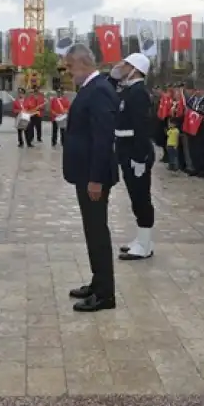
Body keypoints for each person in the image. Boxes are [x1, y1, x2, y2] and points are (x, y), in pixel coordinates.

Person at [62, 43, 119, 313]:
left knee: (97, 232)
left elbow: (103, 138)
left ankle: (106, 294)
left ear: (82, 62)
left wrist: (96, 178)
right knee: (91, 230)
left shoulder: (100, 91)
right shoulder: (90, 89)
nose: (69, 73)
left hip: (93, 176)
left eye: (70, 67)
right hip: (84, 174)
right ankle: (98, 283)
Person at [109, 53, 156, 261]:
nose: (122, 66)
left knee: (141, 198)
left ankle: (145, 244)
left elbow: (142, 128)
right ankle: (142, 239)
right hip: (126, 150)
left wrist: (140, 157)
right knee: (135, 198)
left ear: (135, 69)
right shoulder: (129, 90)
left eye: (126, 64)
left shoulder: (138, 93)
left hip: (135, 153)